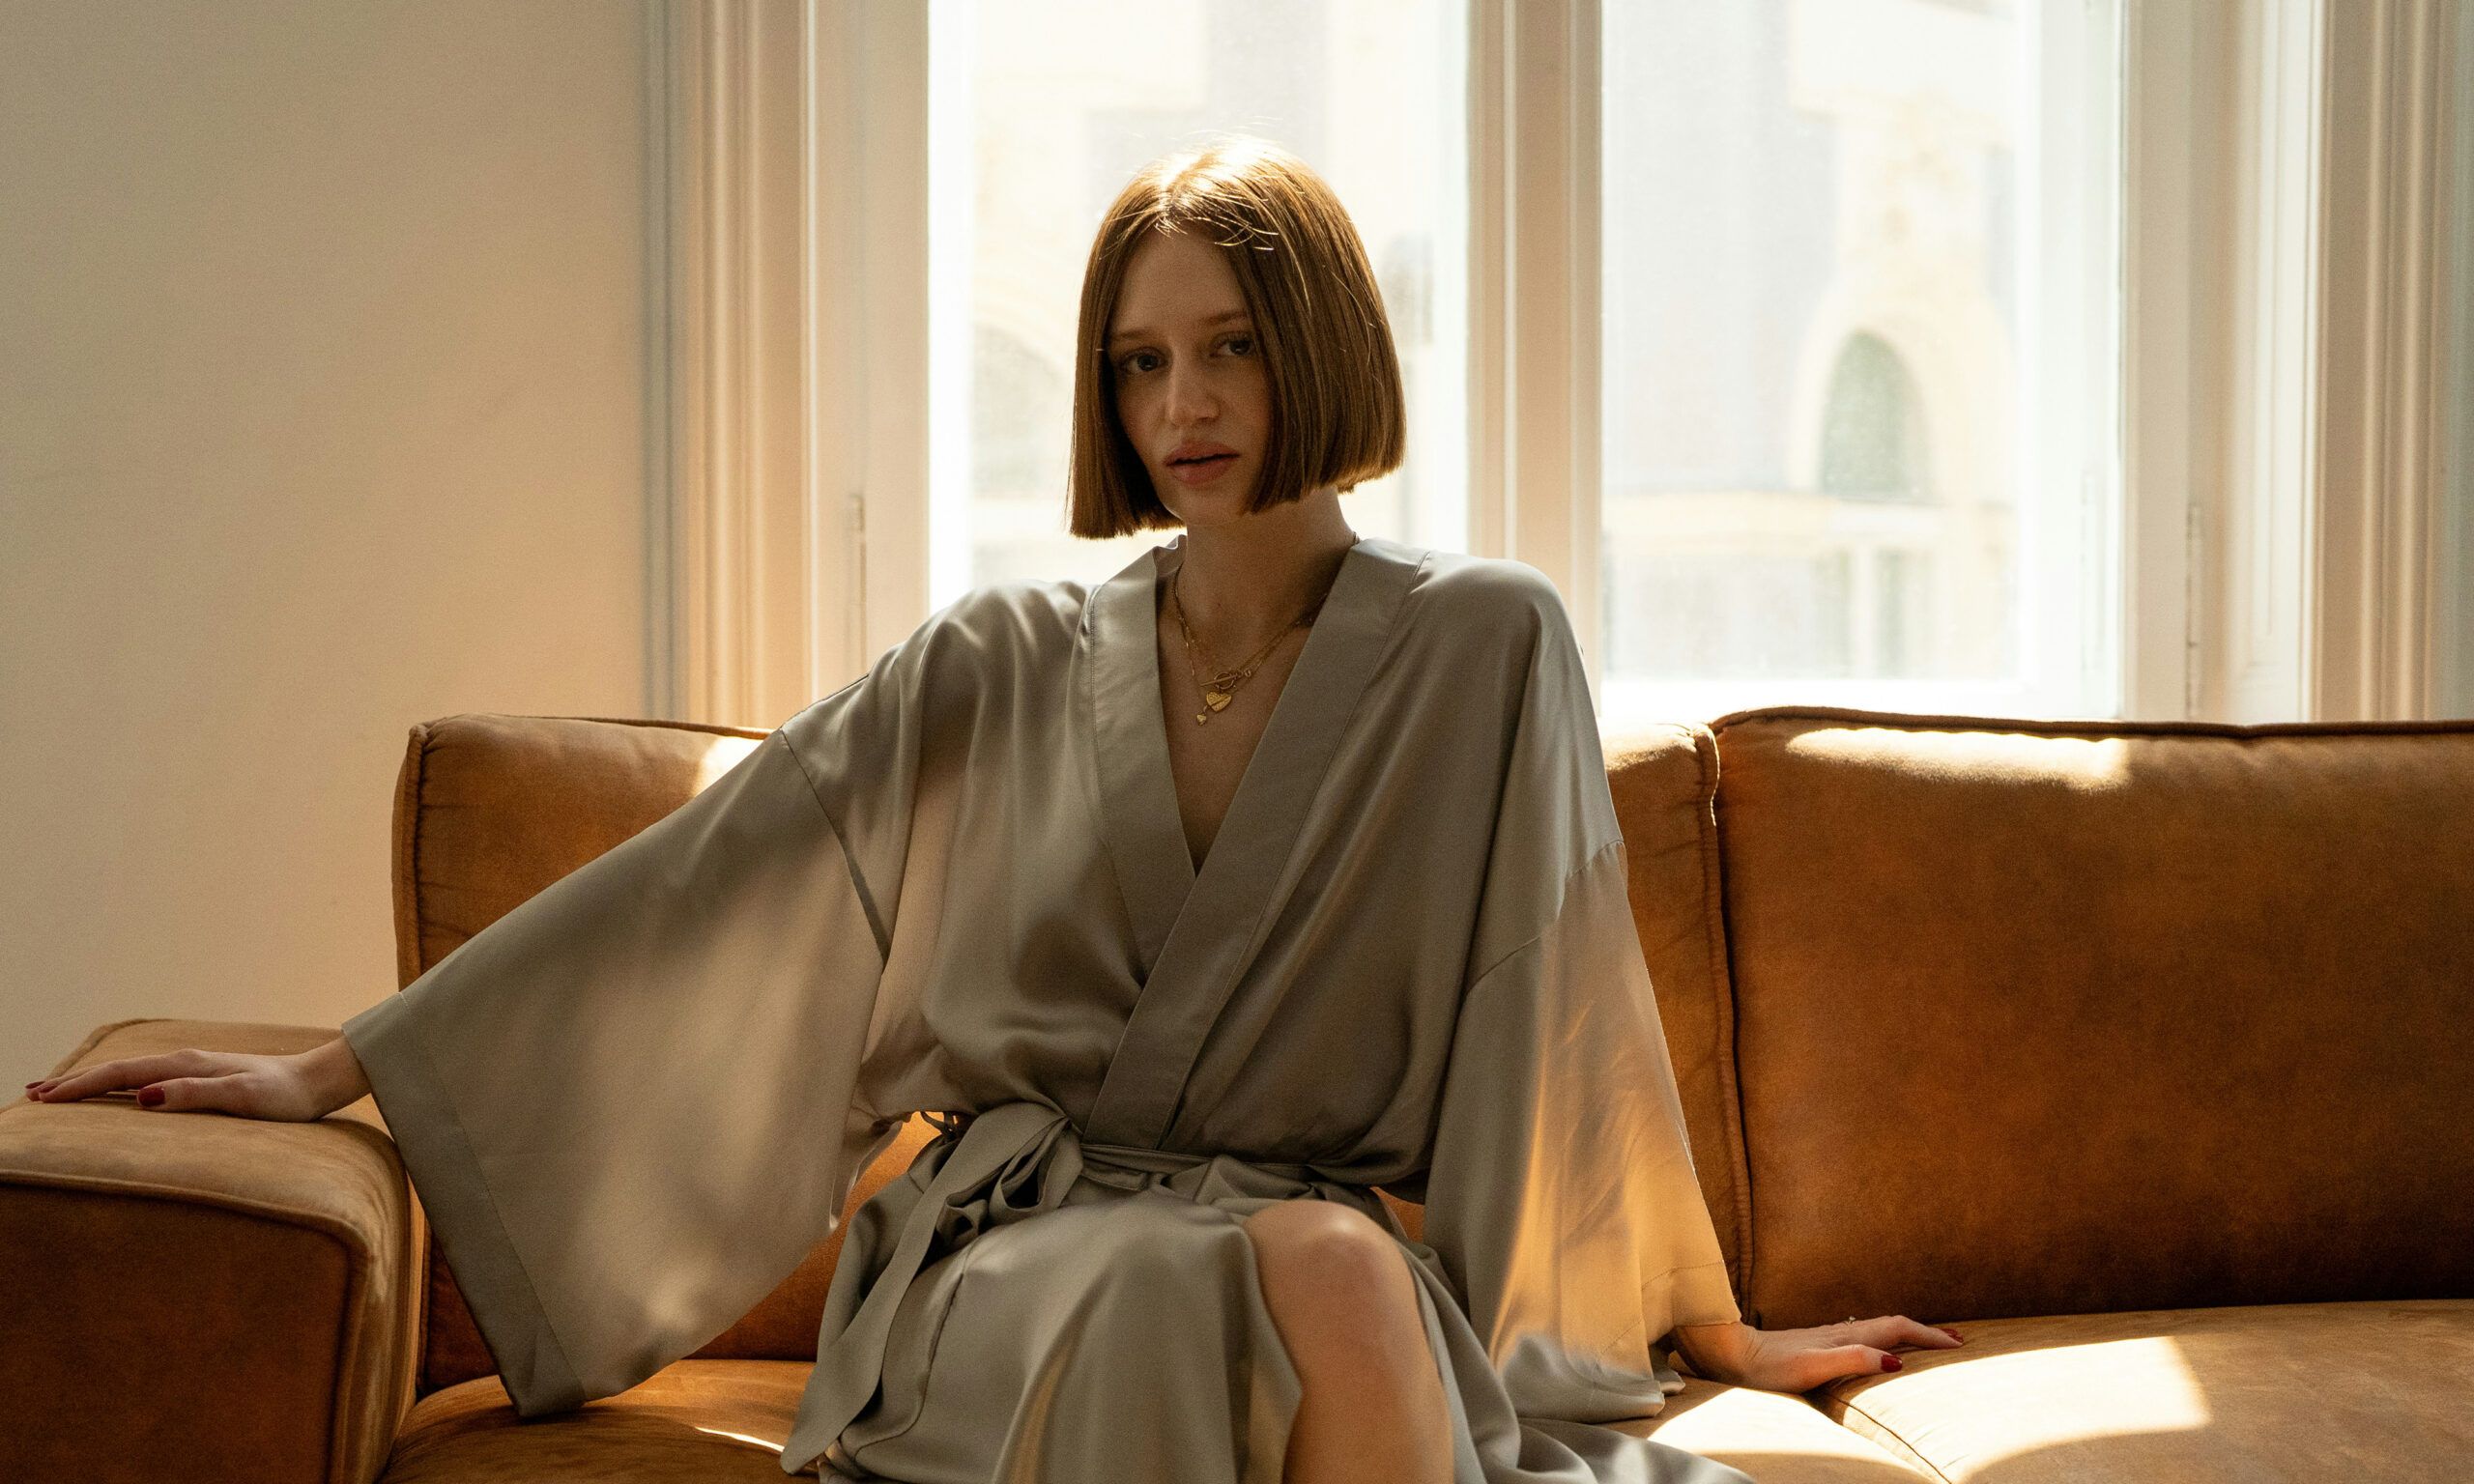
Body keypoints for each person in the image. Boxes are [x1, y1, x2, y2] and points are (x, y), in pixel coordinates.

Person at [28, 134, 1961, 1483]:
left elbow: (1563, 1019)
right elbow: (712, 880)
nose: (1180, 405)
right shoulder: (1000, 655)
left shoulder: (1483, 651)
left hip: (1313, 1253)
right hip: (1008, 1256)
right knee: (1301, 1293)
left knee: (1331, 1279)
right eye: (1137, 362)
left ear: (1319, 349)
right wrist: (333, 1074)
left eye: (1225, 348)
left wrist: (1709, 1330)